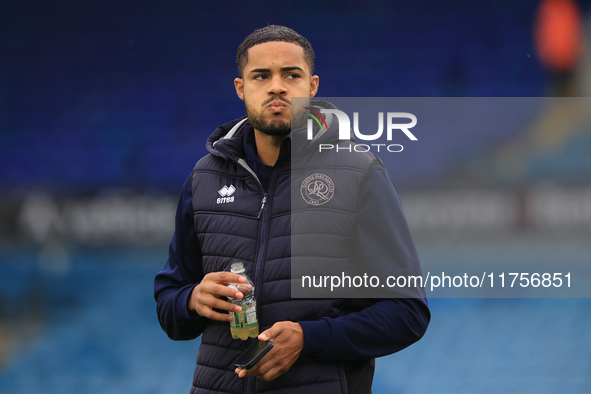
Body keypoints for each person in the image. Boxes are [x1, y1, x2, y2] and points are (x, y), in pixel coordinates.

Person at [154, 25, 430, 394]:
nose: (277, 87)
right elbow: (170, 305)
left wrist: (309, 338)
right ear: (241, 88)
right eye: (261, 76)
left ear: (312, 87)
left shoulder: (359, 173)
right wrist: (192, 299)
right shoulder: (203, 177)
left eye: (291, 75)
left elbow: (408, 314)